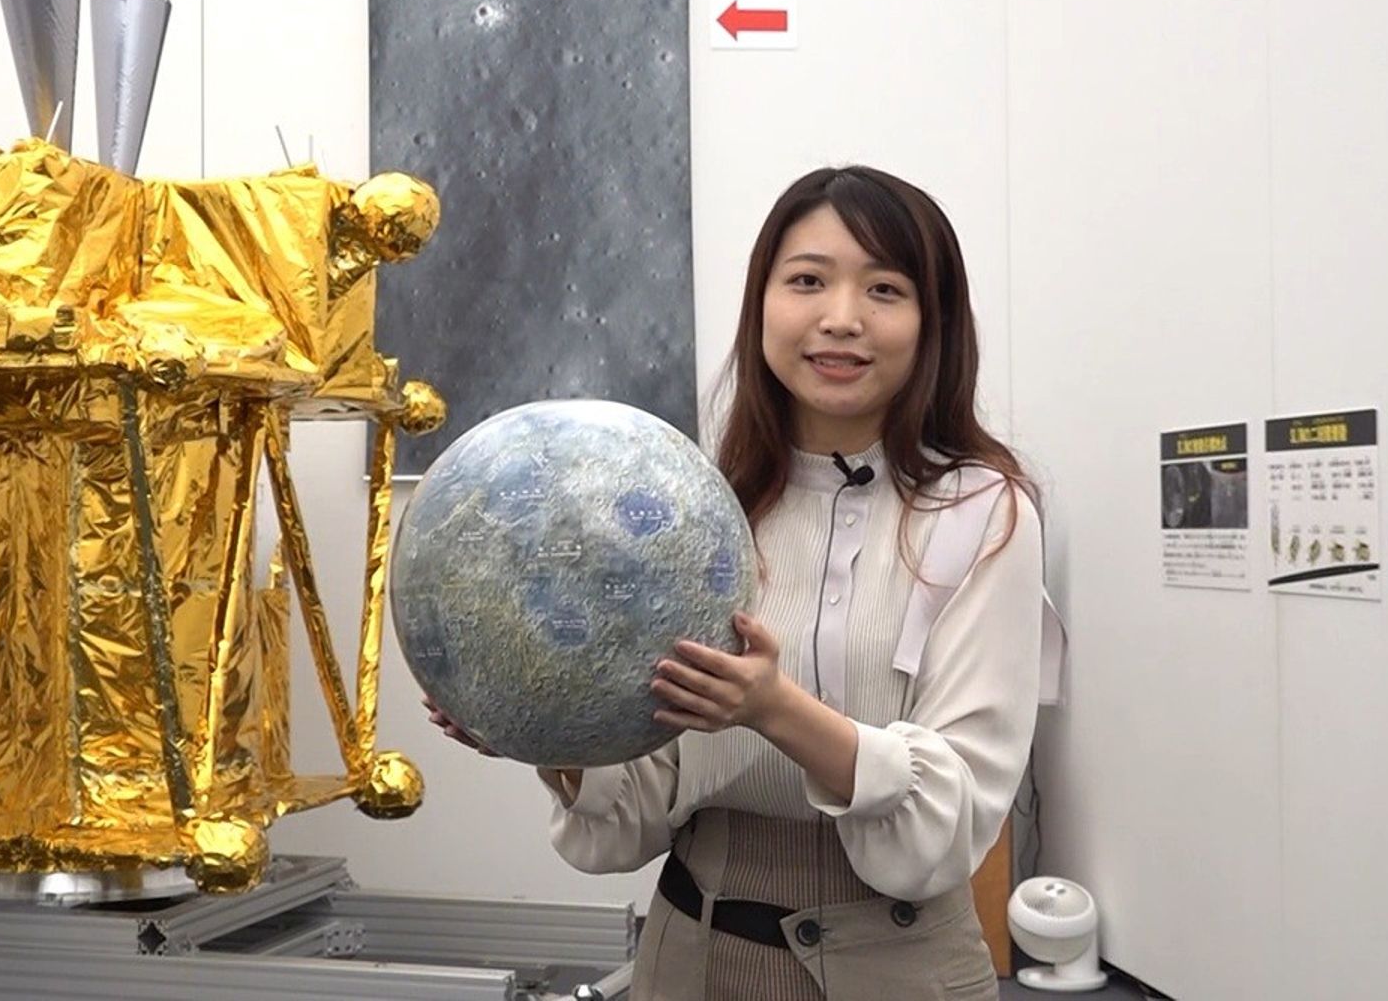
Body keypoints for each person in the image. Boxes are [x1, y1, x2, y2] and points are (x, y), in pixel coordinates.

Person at [429, 165, 1044, 999]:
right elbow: (642, 805)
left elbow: (953, 819)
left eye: (885, 289)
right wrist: (547, 731)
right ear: (762, 304)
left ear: (933, 321)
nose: (841, 318)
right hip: (690, 950)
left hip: (895, 964)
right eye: (807, 281)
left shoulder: (981, 513)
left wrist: (773, 708)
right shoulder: (698, 510)